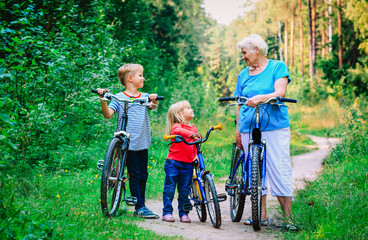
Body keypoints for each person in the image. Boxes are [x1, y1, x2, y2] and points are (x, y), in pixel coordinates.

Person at [233, 34, 295, 229]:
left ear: (256, 50)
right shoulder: (243, 75)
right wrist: (237, 129)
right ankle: (261, 215)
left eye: (244, 53)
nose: (243, 57)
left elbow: (280, 92)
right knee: (254, 172)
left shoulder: (277, 67)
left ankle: (289, 219)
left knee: (279, 167)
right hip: (247, 126)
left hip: (274, 125)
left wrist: (261, 97)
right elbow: (238, 102)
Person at [96, 63, 159, 219]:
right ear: (130, 78)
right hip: (127, 143)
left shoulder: (144, 97)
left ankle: (141, 204)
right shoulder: (119, 97)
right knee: (136, 174)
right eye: (140, 75)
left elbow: (153, 106)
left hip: (142, 142)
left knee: (143, 174)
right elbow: (108, 114)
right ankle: (140, 207)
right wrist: (103, 99)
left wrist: (153, 99)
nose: (143, 78)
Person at [161, 100, 201, 223]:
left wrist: (197, 156)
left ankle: (184, 213)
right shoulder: (176, 126)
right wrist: (191, 134)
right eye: (187, 108)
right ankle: (167, 212)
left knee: (184, 190)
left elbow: (195, 145)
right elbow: (178, 132)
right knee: (170, 188)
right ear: (179, 114)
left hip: (188, 164)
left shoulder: (193, 128)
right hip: (173, 163)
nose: (191, 109)